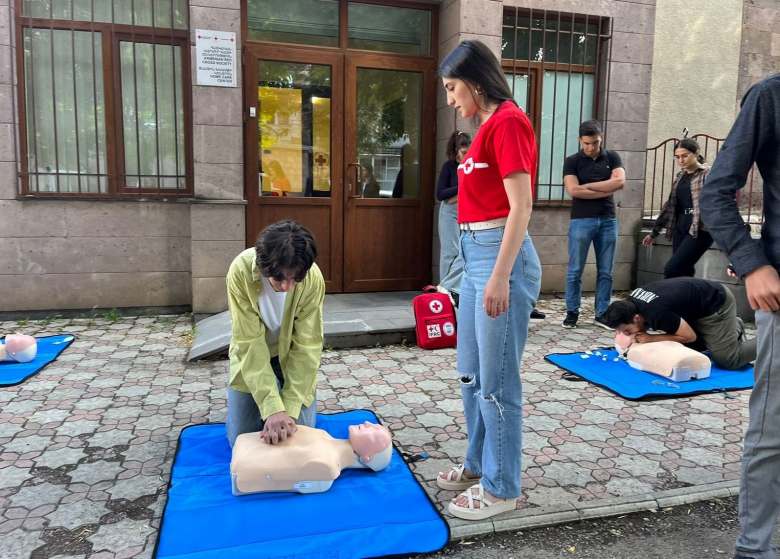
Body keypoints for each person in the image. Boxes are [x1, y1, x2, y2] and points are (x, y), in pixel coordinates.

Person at [435, 40, 542, 521]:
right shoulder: (483, 129)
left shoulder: (509, 122)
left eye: (453, 88)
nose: (451, 99)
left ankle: (502, 488)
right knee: (471, 376)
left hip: (502, 258)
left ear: (476, 81)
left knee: (498, 384)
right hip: (476, 255)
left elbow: (521, 206)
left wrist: (500, 275)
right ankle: (479, 464)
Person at [698, 73, 780, 559]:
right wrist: (753, 264)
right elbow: (716, 193)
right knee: (771, 432)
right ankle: (755, 549)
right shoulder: (770, 97)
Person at [225, 220, 325, 448]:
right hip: (253, 356)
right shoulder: (240, 271)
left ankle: (284, 397)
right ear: (264, 266)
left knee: (298, 439)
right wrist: (272, 408)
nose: (286, 286)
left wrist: (287, 410)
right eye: (280, 278)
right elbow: (248, 341)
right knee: (241, 440)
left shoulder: (312, 278)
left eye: (295, 279)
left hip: (291, 358)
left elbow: (307, 345)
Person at [600, 277, 756, 370]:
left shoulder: (656, 313)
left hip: (716, 303)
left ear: (636, 318)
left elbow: (690, 337)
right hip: (696, 306)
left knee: (727, 359)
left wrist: (651, 339)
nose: (630, 335)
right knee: (687, 350)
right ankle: (729, 329)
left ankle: (771, 339)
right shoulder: (632, 302)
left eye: (628, 331)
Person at [562, 120, 625, 329]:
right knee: (575, 270)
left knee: (606, 271)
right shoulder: (572, 161)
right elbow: (574, 190)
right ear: (580, 140)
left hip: (608, 219)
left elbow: (619, 182)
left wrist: (587, 186)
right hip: (581, 220)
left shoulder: (612, 157)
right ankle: (572, 312)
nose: (591, 147)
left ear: (601, 138)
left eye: (595, 143)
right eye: (587, 143)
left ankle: (602, 313)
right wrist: (605, 188)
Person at [231, 422, 392, 495]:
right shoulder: (324, 436)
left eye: (375, 431)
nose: (367, 422)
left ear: (367, 458)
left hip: (244, 466)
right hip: (247, 448)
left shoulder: (327, 467)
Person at [642, 138, 713, 278]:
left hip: (700, 229)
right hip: (681, 226)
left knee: (672, 269)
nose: (681, 160)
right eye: (677, 157)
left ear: (696, 153)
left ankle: (669, 297)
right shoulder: (680, 176)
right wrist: (654, 232)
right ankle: (686, 299)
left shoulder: (708, 174)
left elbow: (720, 200)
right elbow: (670, 206)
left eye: (685, 155)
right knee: (684, 272)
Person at [436, 130, 471, 306]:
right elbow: (441, 194)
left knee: (464, 252)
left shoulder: (471, 166)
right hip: (449, 213)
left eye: (468, 151)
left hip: (467, 211)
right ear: (455, 150)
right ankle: (444, 295)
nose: (465, 155)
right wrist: (462, 188)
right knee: (449, 253)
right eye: (463, 152)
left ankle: (448, 287)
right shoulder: (449, 167)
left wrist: (457, 194)